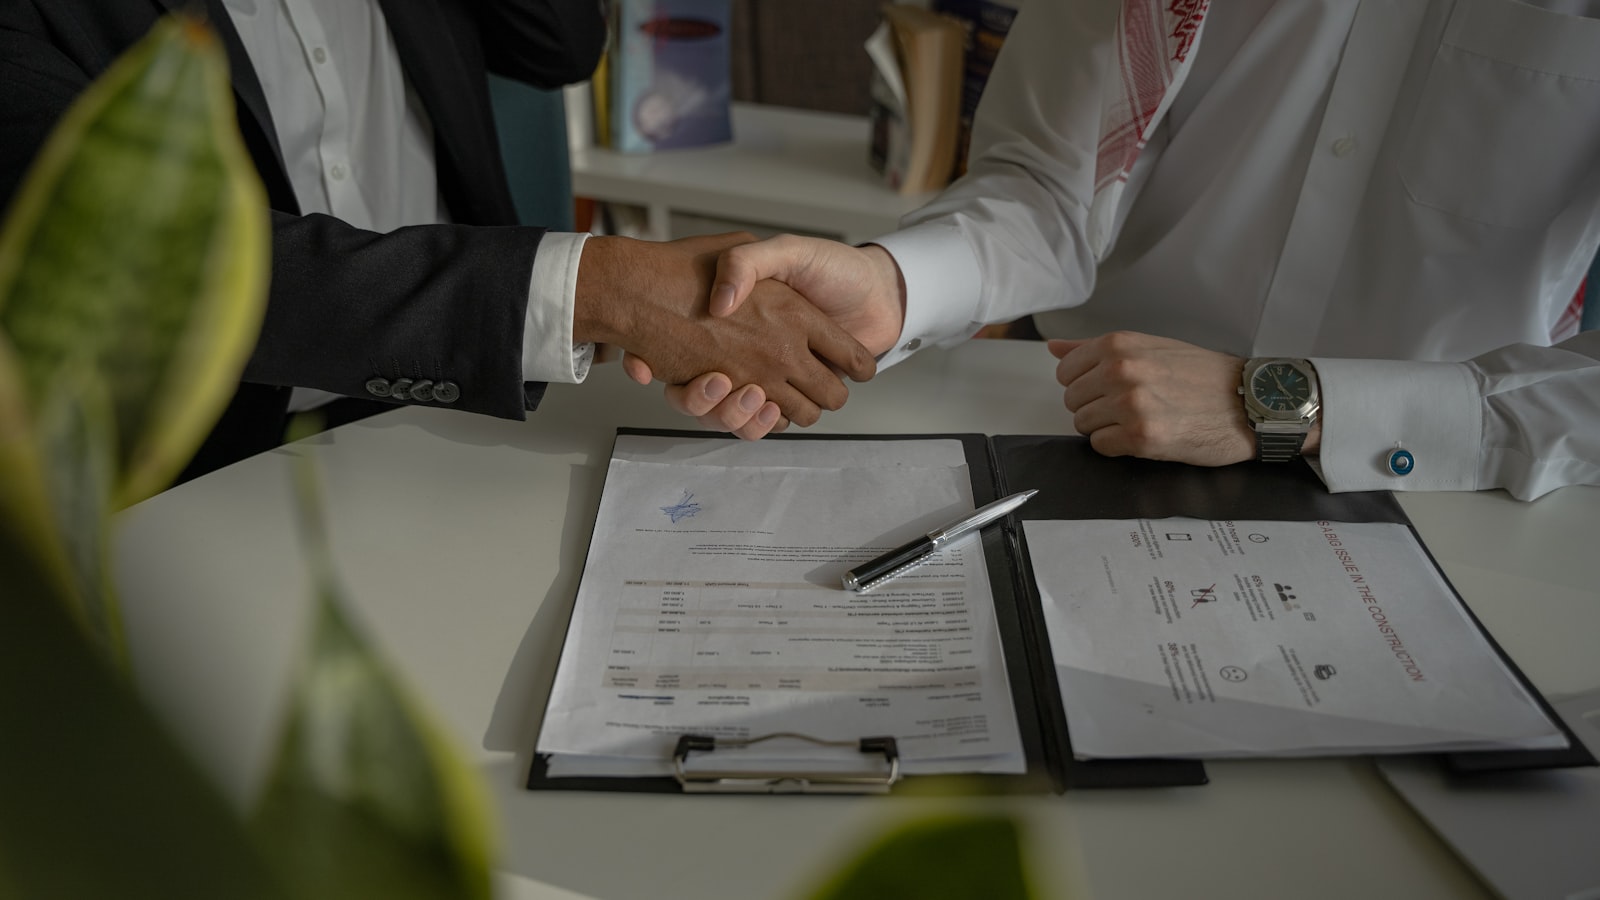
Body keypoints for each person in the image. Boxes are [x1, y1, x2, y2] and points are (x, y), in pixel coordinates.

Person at [643, 0, 1600, 501]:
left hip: (1464, 489)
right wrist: (898, 284)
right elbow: (1049, 187)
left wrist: (1289, 407)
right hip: (1084, 432)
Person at [0, 0, 874, 481]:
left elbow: (563, 41)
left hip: (467, 409)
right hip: (203, 474)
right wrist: (596, 289)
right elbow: (158, 267)